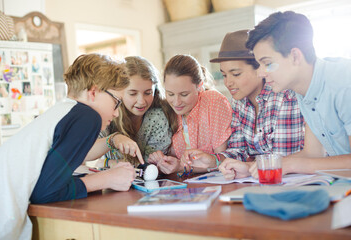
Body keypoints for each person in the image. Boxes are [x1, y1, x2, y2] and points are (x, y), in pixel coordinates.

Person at [0, 53, 136, 240]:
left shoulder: (66, 110)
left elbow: (45, 178)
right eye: (116, 102)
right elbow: (45, 192)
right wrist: (107, 179)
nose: (116, 113)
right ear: (93, 92)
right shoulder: (87, 117)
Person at [181, 30, 305, 179]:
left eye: (236, 74)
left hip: (294, 182)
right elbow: (238, 150)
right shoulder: (239, 102)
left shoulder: (285, 96)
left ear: (259, 68)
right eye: (224, 75)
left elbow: (280, 160)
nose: (228, 83)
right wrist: (213, 160)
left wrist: (247, 165)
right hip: (261, 182)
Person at [245, 11, 351, 177]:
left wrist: (291, 164)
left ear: (295, 56)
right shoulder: (304, 90)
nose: (260, 73)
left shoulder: (344, 83)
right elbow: (312, 153)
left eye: (267, 63)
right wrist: (255, 167)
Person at [148, 54, 232, 175]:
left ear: (199, 86)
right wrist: (161, 159)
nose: (176, 102)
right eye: (170, 94)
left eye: (184, 94)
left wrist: (181, 167)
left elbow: (222, 160)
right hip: (184, 184)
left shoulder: (214, 102)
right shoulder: (166, 109)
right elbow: (174, 161)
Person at [97, 56, 172, 167]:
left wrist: (106, 163)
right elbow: (88, 154)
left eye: (148, 93)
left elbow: (146, 165)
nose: (141, 101)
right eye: (132, 94)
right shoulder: (107, 115)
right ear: (118, 91)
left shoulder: (157, 118)